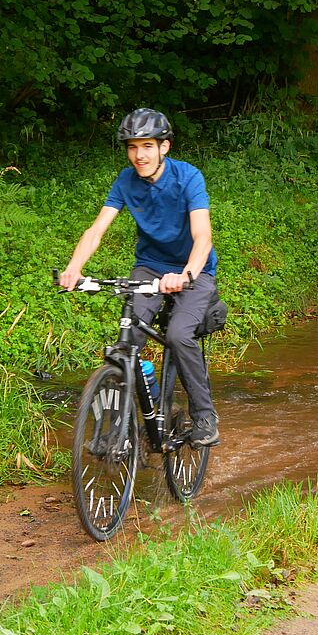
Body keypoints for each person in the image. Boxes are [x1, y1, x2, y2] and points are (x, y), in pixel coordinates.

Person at [59, 108, 221, 447]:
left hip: (194, 269)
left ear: (164, 147)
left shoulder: (188, 177)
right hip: (149, 266)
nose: (139, 155)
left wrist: (186, 274)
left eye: (147, 146)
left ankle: (204, 416)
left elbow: (202, 235)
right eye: (132, 147)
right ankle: (136, 419)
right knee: (127, 343)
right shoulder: (126, 180)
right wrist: (74, 268)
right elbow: (96, 230)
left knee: (178, 335)